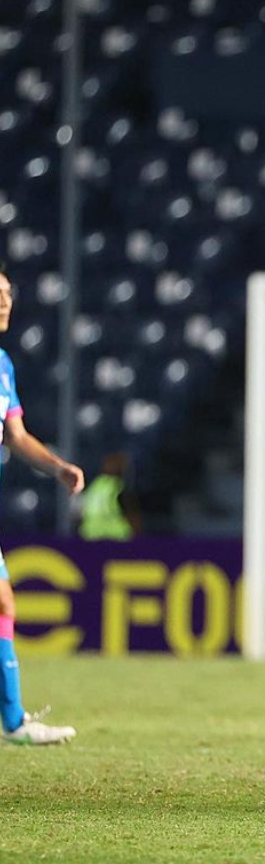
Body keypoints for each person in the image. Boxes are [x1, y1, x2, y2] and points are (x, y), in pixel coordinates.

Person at [0, 260, 85, 745]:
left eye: (9, 293)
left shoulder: (3, 365)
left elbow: (16, 436)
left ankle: (14, 722)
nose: (5, 301)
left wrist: (57, 467)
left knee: (3, 600)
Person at [79, 451, 141, 540]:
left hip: (91, 535)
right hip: (115, 536)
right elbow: (130, 510)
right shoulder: (117, 486)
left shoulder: (95, 485)